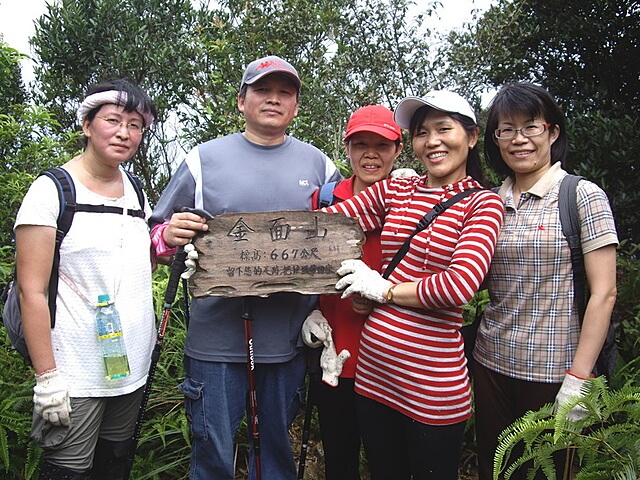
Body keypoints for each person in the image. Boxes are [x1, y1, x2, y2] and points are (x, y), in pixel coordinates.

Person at [148, 55, 342, 480]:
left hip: (289, 342)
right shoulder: (203, 159)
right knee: (213, 452)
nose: (273, 99)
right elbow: (153, 236)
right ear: (241, 100)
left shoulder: (319, 165)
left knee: (274, 453)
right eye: (262, 90)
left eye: (284, 92)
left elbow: (344, 237)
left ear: (295, 105)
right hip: (215, 342)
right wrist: (169, 237)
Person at [319, 91, 504, 480]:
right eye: (422, 132)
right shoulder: (398, 190)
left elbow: (458, 285)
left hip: (431, 386)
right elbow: (323, 226)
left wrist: (382, 289)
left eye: (444, 129)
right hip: (373, 376)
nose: (432, 141)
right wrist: (232, 243)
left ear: (471, 137)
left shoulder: (483, 204)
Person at [471, 82, 618, 480]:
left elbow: (604, 292)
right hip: (491, 364)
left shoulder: (582, 196)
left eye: (531, 127)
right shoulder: (488, 202)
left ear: (552, 132)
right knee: (495, 469)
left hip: (555, 373)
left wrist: (579, 378)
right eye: (506, 129)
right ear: (495, 140)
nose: (519, 139)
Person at [15, 79, 157, 479]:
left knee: (114, 465)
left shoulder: (137, 191)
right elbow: (32, 290)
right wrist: (48, 379)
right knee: (68, 471)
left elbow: (136, 265)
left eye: (135, 125)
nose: (124, 133)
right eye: (112, 120)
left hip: (130, 367)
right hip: (73, 372)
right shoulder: (52, 191)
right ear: (87, 125)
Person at [301, 105, 404, 480]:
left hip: (392, 361)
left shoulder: (412, 202)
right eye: (361, 144)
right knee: (340, 459)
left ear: (398, 149)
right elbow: (301, 263)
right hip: (337, 355)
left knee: (389, 463)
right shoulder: (325, 200)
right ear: (347, 148)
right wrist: (309, 311)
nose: (371, 154)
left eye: (382, 144)